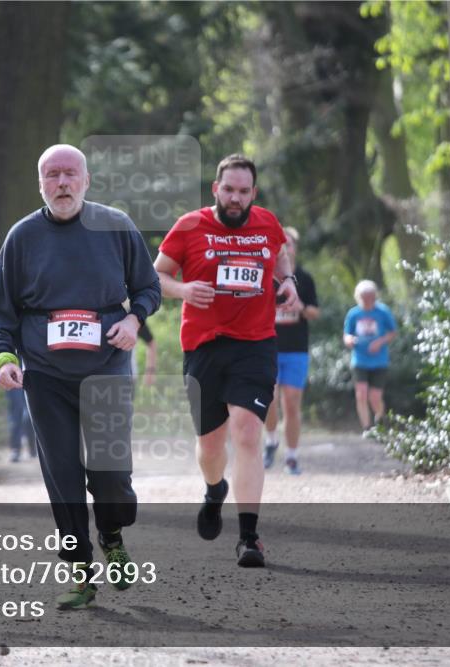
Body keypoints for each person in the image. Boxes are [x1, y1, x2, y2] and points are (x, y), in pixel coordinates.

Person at [0, 144, 161, 609]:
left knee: (111, 471)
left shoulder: (115, 226)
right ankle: (80, 573)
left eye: (70, 175)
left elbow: (148, 286)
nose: (62, 183)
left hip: (107, 367)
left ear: (86, 180)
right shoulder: (21, 238)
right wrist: (3, 359)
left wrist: (134, 320)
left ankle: (113, 534)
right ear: (40, 183)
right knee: (60, 473)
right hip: (45, 374)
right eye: (53, 175)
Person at [154, 154, 299, 568]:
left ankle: (249, 538)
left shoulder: (267, 223)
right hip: (204, 346)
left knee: (247, 433)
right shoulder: (189, 226)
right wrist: (183, 291)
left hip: (255, 344)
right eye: (229, 190)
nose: (236, 199)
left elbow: (281, 253)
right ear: (216, 190)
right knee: (211, 447)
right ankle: (214, 488)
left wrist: (285, 280)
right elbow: (156, 275)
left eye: (243, 192)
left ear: (253, 193)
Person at [263, 227, 319, 473]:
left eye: (290, 244)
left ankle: (293, 457)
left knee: (292, 404)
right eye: (282, 244)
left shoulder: (304, 279)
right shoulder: (265, 275)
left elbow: (315, 312)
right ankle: (271, 440)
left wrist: (300, 305)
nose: (286, 248)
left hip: (296, 350)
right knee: (269, 401)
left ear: (294, 249)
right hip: (267, 347)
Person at [343, 280, 397, 431]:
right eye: (364, 298)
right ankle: (367, 428)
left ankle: (380, 422)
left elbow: (393, 332)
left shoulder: (383, 311)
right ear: (358, 297)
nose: (367, 301)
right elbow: (347, 334)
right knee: (361, 393)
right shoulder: (353, 314)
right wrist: (350, 340)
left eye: (370, 297)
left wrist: (380, 342)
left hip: (379, 361)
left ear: (375, 297)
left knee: (374, 397)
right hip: (359, 360)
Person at [6, 388, 36, 463]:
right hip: (13, 380)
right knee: (16, 415)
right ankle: (15, 449)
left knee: (31, 414)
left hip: (31, 377)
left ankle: (33, 448)